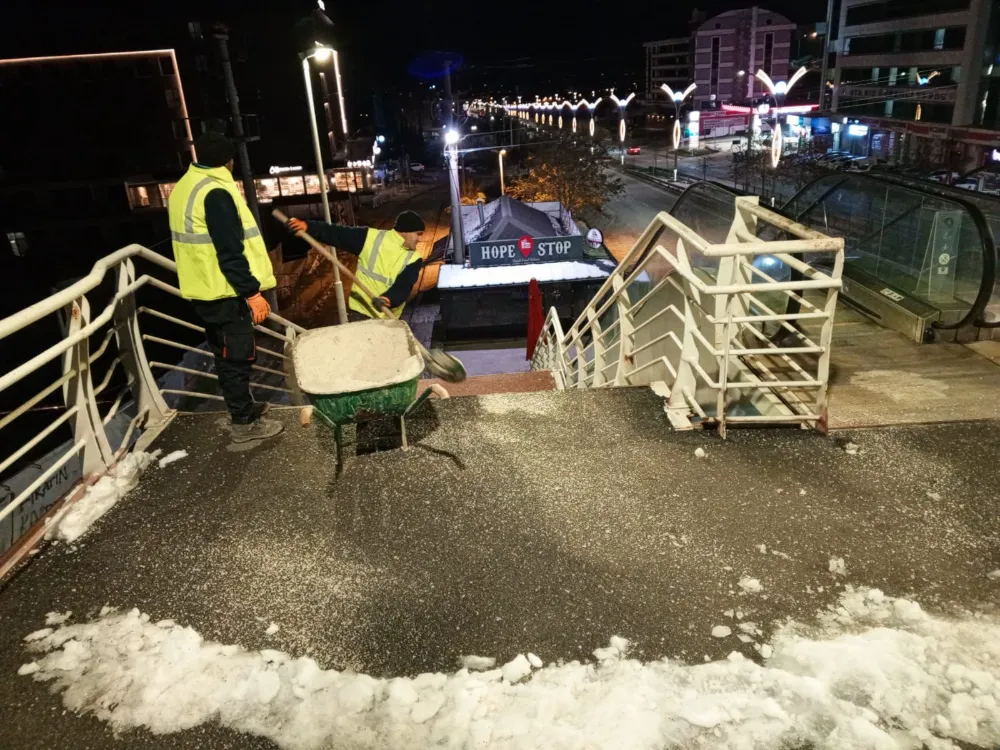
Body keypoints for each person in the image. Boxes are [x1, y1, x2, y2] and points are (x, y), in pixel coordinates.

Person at [168, 131, 284, 443]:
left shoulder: (184, 187)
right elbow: (230, 251)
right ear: (229, 162)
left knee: (224, 353)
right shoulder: (216, 192)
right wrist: (252, 293)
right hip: (225, 292)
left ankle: (240, 407)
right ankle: (244, 425)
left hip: (203, 290)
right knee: (238, 357)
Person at [285, 211, 425, 321]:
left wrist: (389, 299)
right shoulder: (369, 237)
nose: (420, 239)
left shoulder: (414, 258)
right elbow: (336, 233)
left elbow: (404, 284)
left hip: (389, 318)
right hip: (360, 313)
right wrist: (308, 227)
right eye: (418, 234)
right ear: (405, 231)